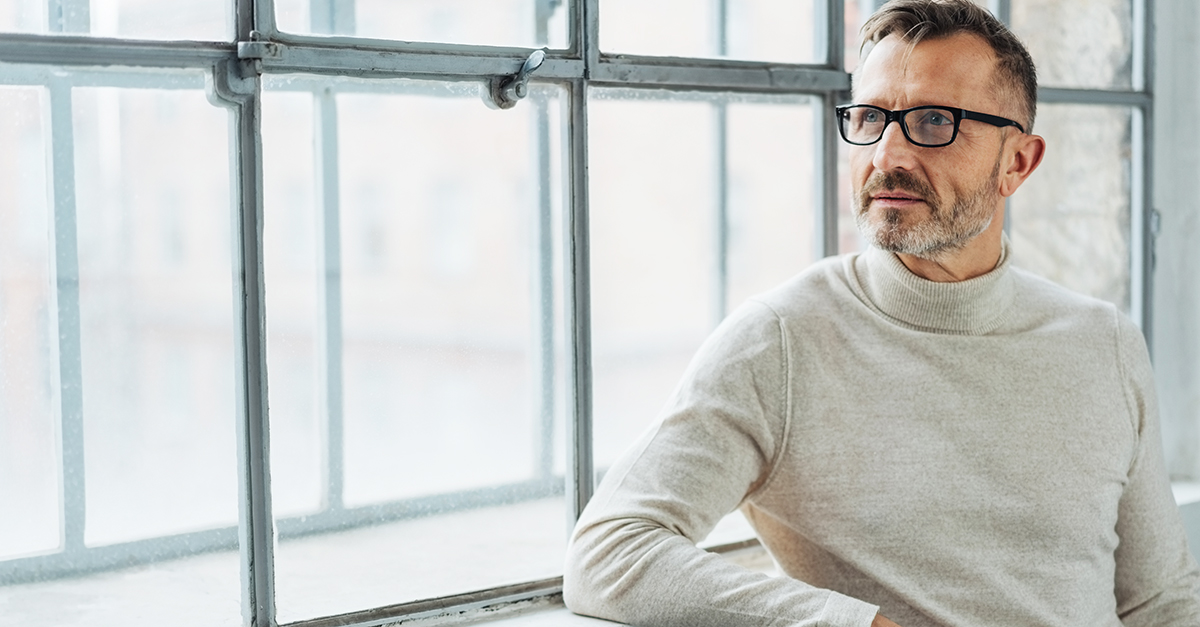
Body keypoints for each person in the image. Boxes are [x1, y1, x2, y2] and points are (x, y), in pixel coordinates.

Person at [561, 0, 1200, 625]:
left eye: (933, 121)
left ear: (1017, 163)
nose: (886, 156)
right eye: (869, 118)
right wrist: (850, 624)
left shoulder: (1104, 341)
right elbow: (609, 552)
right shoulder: (781, 341)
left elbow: (1161, 604)